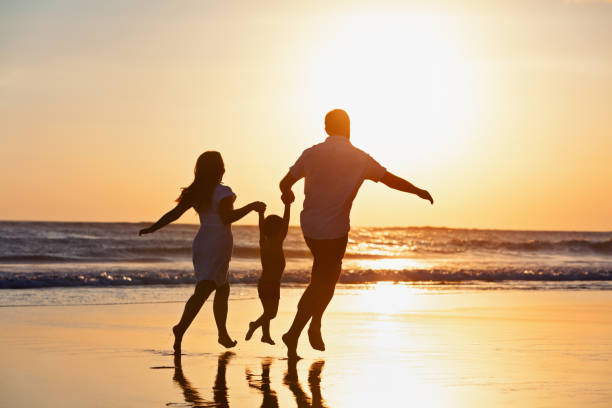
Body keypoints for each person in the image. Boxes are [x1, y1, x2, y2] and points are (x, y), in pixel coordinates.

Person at [279, 109, 434, 358]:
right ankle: (299, 331)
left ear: (326, 128)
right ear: (348, 128)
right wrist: (417, 190)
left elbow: (285, 183)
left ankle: (309, 327)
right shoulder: (360, 159)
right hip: (336, 230)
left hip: (310, 227)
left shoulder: (310, 154)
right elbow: (389, 180)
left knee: (322, 277)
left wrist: (287, 194)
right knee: (324, 280)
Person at [139, 151, 266, 353]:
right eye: (223, 166)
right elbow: (227, 218)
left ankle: (221, 334)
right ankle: (182, 328)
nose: (225, 169)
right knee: (206, 289)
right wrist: (252, 206)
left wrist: (153, 228)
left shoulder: (197, 191)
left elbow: (174, 214)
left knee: (221, 287)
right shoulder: (223, 192)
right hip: (217, 244)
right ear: (219, 169)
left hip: (203, 241)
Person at [245, 198, 292, 345]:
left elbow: (262, 228)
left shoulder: (263, 242)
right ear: (279, 231)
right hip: (270, 284)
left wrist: (261, 214)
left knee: (267, 312)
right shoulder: (277, 243)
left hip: (264, 283)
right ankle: (254, 325)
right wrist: (287, 205)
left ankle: (265, 335)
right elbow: (286, 223)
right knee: (271, 314)